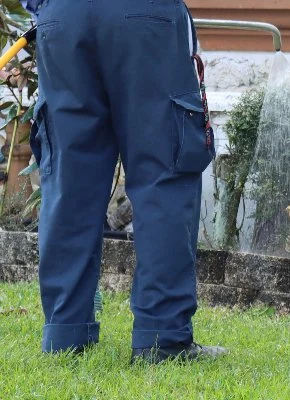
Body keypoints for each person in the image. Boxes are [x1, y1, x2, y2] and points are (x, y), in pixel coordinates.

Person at [23, 0, 226, 364]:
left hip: (63, 17)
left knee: (69, 183)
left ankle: (65, 334)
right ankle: (161, 338)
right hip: (144, 17)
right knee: (163, 178)